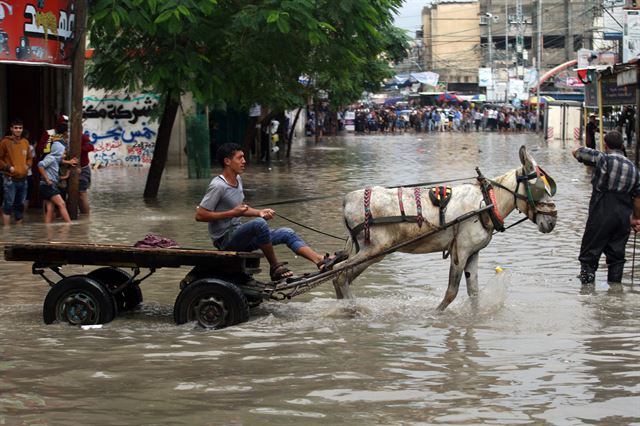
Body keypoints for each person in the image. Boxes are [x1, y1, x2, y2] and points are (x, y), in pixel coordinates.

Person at [196, 143, 347, 281]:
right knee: (259, 224)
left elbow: (240, 208)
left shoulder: (237, 180)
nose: (244, 161)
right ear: (227, 161)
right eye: (240, 158)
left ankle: (319, 260)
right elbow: (200, 215)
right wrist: (233, 213)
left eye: (243, 157)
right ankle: (275, 267)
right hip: (225, 240)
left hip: (239, 234)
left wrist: (259, 212)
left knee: (286, 232)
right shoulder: (218, 185)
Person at [573, 131, 640, 293]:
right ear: (622, 146)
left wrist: (578, 151)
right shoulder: (634, 170)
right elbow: (638, 199)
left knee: (589, 256)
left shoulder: (602, 158)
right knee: (617, 258)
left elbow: (578, 152)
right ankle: (615, 292)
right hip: (623, 217)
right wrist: (636, 219)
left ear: (606, 145)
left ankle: (586, 293)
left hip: (601, 213)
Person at [37, 123, 77, 223]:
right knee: (62, 204)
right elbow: (40, 165)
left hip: (48, 185)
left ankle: (47, 228)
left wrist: (65, 175)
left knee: (50, 209)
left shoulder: (54, 159)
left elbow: (59, 162)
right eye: (63, 152)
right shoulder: (50, 158)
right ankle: (70, 225)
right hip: (47, 185)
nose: (64, 154)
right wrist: (47, 179)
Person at [0, 119, 32, 225]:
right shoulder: (5, 142)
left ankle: (18, 233)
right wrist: (8, 167)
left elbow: (29, 158)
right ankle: (7, 231)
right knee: (8, 204)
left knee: (20, 206)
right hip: (10, 178)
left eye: (20, 128)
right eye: (16, 128)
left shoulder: (25, 142)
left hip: (23, 178)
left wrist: (27, 166)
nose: (18, 130)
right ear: (11, 129)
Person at [79, 133, 95, 214]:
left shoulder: (83, 137)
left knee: (82, 193)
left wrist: (78, 149)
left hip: (83, 169)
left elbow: (91, 147)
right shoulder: (55, 136)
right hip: (67, 169)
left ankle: (85, 219)